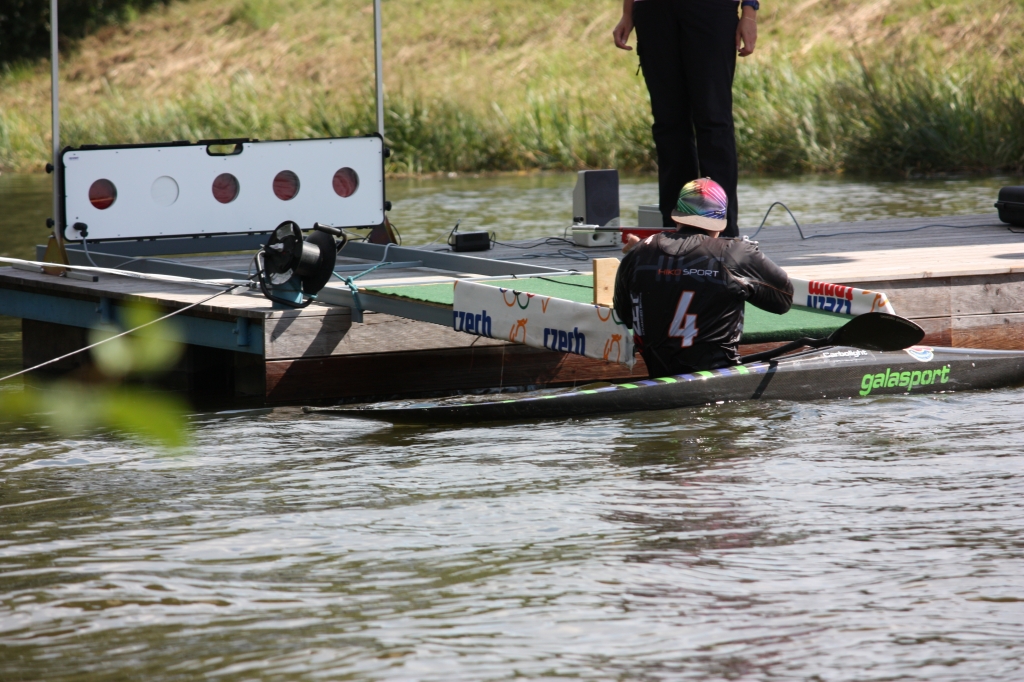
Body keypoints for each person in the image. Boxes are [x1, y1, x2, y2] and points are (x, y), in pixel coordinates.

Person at [613, 178, 792, 377]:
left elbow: (624, 316)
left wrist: (643, 252)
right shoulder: (736, 253)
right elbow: (784, 301)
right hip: (721, 381)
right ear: (720, 225)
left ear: (676, 217)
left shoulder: (638, 253)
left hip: (658, 377)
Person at [612, 0, 760, 237]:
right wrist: (627, 13)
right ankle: (676, 231)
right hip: (654, 11)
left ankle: (722, 232)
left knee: (714, 122)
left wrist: (749, 12)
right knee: (668, 125)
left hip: (711, 10)